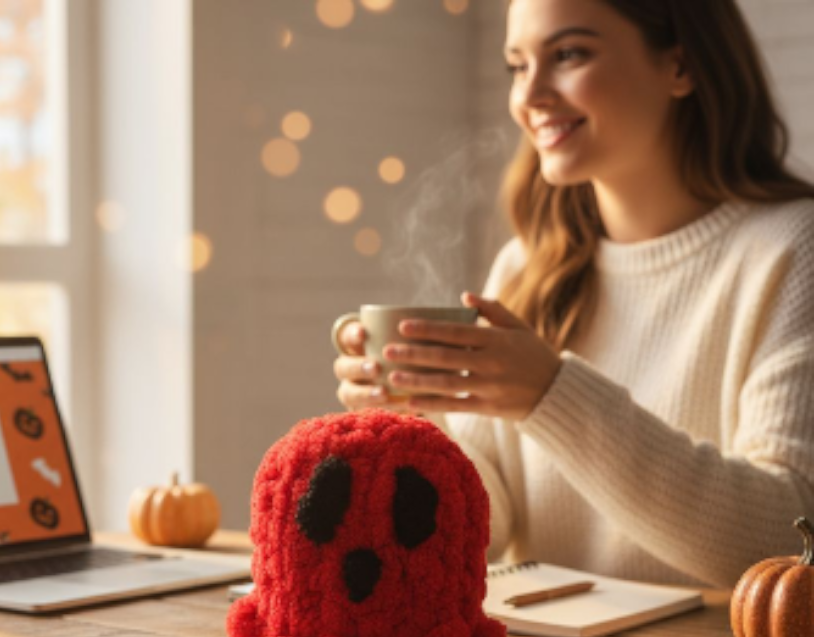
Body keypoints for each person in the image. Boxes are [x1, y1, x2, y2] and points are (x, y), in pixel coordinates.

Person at [333, 0, 814, 588]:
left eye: (567, 54)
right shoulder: (526, 268)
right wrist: (409, 427)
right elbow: (479, 535)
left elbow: (791, 540)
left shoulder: (793, 251)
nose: (529, 95)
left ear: (681, 67)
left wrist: (551, 395)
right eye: (516, 65)